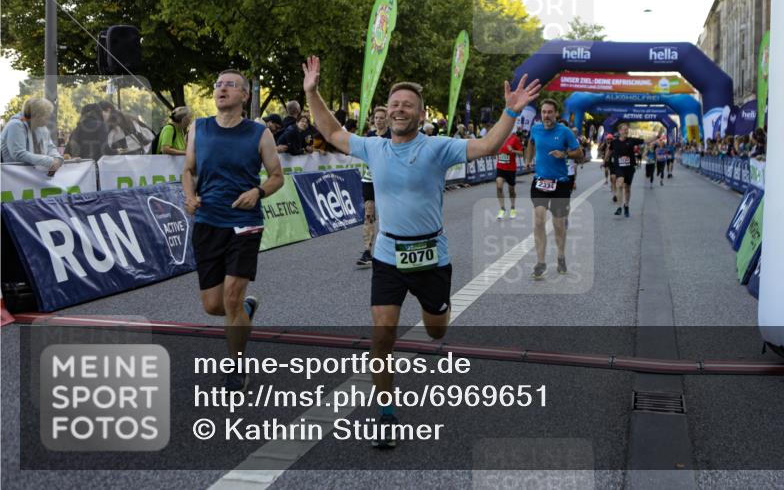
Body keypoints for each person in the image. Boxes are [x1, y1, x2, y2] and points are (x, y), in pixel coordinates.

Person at [302, 55, 539, 448]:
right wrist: (312, 92)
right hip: (388, 255)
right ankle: (386, 413)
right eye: (394, 104)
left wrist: (510, 112)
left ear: (420, 113)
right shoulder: (374, 147)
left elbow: (488, 144)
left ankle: (440, 311)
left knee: (435, 331)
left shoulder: (438, 147)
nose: (398, 110)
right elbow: (330, 130)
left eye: (407, 105)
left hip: (431, 255)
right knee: (382, 334)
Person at [182, 70, 283, 391]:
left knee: (231, 297)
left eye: (230, 85)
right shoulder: (199, 128)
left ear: (244, 96)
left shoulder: (259, 133)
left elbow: (277, 176)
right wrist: (188, 195)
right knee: (213, 305)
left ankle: (236, 366)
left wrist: (259, 192)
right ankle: (245, 310)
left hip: (245, 222)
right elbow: (188, 169)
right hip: (207, 222)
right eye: (218, 85)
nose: (222, 89)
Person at [524, 99, 583, 280]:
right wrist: (528, 159)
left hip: (561, 183)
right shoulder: (536, 129)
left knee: (558, 225)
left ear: (556, 114)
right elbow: (531, 143)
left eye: (550, 112)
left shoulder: (564, 132)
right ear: (540, 113)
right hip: (540, 182)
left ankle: (561, 256)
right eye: (544, 112)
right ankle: (541, 263)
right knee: (539, 220)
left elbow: (579, 153)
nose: (546, 115)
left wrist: (564, 154)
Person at [358, 106, 391, 267]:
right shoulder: (370, 136)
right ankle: (367, 251)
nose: (378, 120)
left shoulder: (392, 136)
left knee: (390, 214)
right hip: (369, 180)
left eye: (381, 118)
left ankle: (391, 248)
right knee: (369, 214)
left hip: (387, 181)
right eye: (376, 118)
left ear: (387, 120)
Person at [0, 97, 64, 173]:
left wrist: (57, 159)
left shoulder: (42, 128)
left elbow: (50, 147)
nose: (49, 119)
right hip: (12, 176)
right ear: (37, 116)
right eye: (47, 116)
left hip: (31, 175)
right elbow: (19, 154)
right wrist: (50, 161)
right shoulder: (15, 125)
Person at [609, 122, 653, 218]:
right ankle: (619, 207)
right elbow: (609, 151)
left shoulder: (632, 140)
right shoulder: (614, 142)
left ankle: (626, 206)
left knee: (627, 188)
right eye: (624, 129)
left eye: (627, 129)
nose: (626, 131)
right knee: (620, 184)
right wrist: (605, 161)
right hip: (619, 167)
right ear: (620, 131)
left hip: (629, 168)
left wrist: (656, 136)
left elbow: (645, 141)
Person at [495, 129, 524, 220]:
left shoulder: (514, 139)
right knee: (499, 186)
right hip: (500, 167)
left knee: (511, 190)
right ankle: (502, 209)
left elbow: (522, 153)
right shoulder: (499, 138)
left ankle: (512, 208)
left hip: (510, 169)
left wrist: (512, 150)